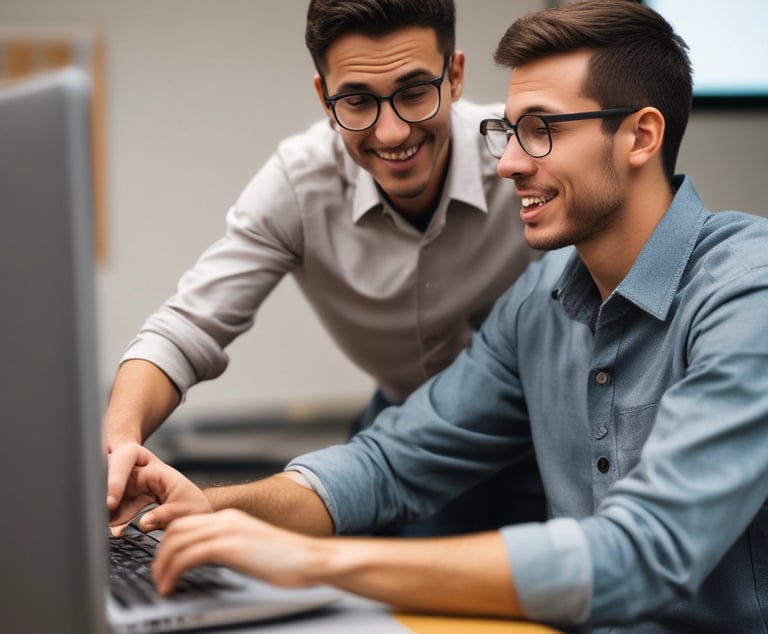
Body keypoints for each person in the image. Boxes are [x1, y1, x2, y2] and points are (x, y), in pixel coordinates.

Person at [109, 0, 768, 631]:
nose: (508, 162)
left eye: (539, 131)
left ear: (641, 136)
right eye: (508, 132)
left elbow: (644, 553)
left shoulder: (745, 293)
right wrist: (208, 510)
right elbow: (390, 463)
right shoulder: (538, 304)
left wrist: (318, 562)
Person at [104, 0, 545, 537]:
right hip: (398, 425)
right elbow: (186, 328)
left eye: (413, 93)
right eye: (357, 101)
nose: (390, 133)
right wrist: (121, 439)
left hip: (537, 428)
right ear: (325, 99)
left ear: (454, 76)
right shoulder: (300, 182)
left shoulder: (522, 154)